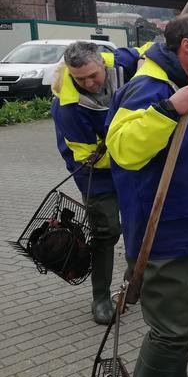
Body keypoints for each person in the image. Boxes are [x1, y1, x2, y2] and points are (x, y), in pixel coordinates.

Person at [106, 14, 188, 377]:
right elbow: (121, 149)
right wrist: (166, 110)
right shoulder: (147, 90)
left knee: (185, 314)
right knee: (171, 328)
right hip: (162, 236)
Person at [50, 40, 145, 324]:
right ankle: (100, 297)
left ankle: (133, 286)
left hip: (129, 167)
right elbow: (88, 156)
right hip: (95, 172)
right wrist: (139, 141)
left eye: (93, 75)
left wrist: (144, 63)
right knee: (106, 232)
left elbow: (151, 49)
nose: (90, 83)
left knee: (138, 226)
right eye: (80, 78)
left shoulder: (118, 62)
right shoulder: (67, 108)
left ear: (102, 64)